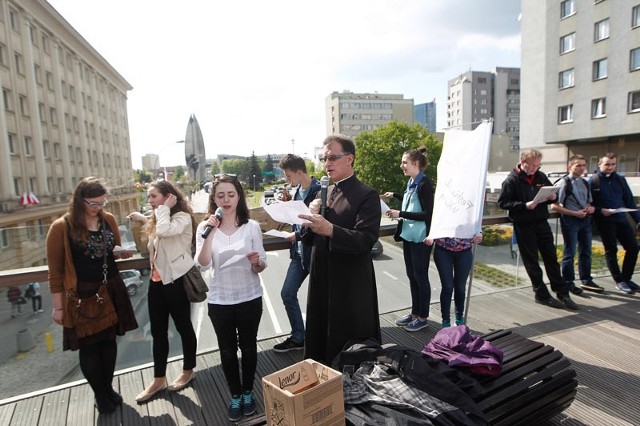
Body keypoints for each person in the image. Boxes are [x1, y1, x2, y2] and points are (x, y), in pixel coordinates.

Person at [46, 177, 138, 414]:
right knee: (90, 347)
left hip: (111, 287)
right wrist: (57, 308)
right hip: (84, 295)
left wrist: (120, 253)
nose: (99, 207)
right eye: (93, 203)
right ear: (79, 201)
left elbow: (111, 249)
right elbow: (55, 271)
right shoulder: (61, 227)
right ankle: (99, 393)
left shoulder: (107, 219)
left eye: (102, 202)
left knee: (109, 342)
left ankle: (107, 388)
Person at [299, 134, 381, 365]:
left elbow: (366, 240)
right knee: (320, 334)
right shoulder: (322, 193)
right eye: (324, 158)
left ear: (350, 159)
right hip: (321, 276)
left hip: (349, 283)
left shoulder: (367, 195)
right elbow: (307, 238)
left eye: (333, 157)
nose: (327, 163)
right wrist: (310, 215)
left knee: (348, 342)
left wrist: (331, 229)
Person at [195, 175, 266, 422]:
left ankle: (248, 392)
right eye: (220, 196)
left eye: (231, 195)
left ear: (239, 197)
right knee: (227, 350)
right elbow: (203, 264)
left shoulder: (251, 226)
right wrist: (210, 233)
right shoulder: (205, 227)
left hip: (249, 296)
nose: (226, 200)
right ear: (213, 199)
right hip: (220, 300)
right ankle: (234, 395)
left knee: (248, 347)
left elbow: (261, 264)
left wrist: (257, 263)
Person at [128, 181, 198, 404]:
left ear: (168, 197)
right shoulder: (160, 217)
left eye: (153, 197)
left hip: (176, 282)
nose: (150, 201)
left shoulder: (182, 218)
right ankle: (159, 379)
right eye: (149, 197)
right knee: (158, 332)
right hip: (156, 283)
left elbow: (165, 231)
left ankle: (189, 370)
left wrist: (163, 209)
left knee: (183, 328)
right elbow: (156, 233)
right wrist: (143, 218)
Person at [498, 149, 579, 310]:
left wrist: (552, 197)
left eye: (538, 165)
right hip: (524, 225)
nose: (536, 168)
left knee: (551, 258)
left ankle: (562, 292)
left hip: (542, 223)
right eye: (533, 165)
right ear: (523, 162)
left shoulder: (540, 176)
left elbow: (549, 193)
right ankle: (541, 294)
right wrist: (524, 205)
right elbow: (503, 203)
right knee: (532, 261)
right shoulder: (511, 180)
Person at [381, 147, 434, 332]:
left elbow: (427, 213)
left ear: (416, 164)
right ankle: (414, 313)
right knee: (412, 276)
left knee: (421, 277)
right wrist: (394, 196)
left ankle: (423, 317)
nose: (401, 165)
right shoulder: (412, 182)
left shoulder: (424, 184)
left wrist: (399, 213)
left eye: (405, 162)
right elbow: (411, 199)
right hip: (409, 236)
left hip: (420, 238)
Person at [273, 154, 321, 352]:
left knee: (319, 298)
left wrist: (297, 235)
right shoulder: (297, 192)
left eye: (289, 175)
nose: (287, 180)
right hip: (299, 253)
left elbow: (318, 223)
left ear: (300, 172)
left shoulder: (319, 191)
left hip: (315, 252)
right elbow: (296, 219)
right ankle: (298, 337)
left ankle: (319, 336)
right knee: (287, 293)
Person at [589, 153, 640, 294]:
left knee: (633, 248)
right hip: (605, 222)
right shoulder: (593, 181)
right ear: (599, 164)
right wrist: (600, 211)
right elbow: (588, 204)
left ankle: (627, 278)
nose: (610, 167)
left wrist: (638, 219)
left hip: (621, 219)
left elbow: (629, 201)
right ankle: (619, 281)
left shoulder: (621, 180)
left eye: (613, 164)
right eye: (607, 164)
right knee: (611, 250)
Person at [550, 155, 601, 294]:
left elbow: (589, 201)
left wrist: (589, 208)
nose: (582, 168)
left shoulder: (585, 183)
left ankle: (586, 280)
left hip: (584, 220)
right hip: (570, 220)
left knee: (586, 251)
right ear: (570, 167)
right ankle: (568, 282)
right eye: (578, 165)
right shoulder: (563, 183)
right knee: (570, 252)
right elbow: (554, 207)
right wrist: (574, 213)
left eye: (583, 165)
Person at [424, 233, 483, 327]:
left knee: (460, 287)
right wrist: (431, 235)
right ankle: (445, 321)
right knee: (447, 287)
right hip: (443, 251)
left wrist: (479, 234)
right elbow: (435, 222)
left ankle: (459, 319)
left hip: (464, 251)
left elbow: (477, 224)